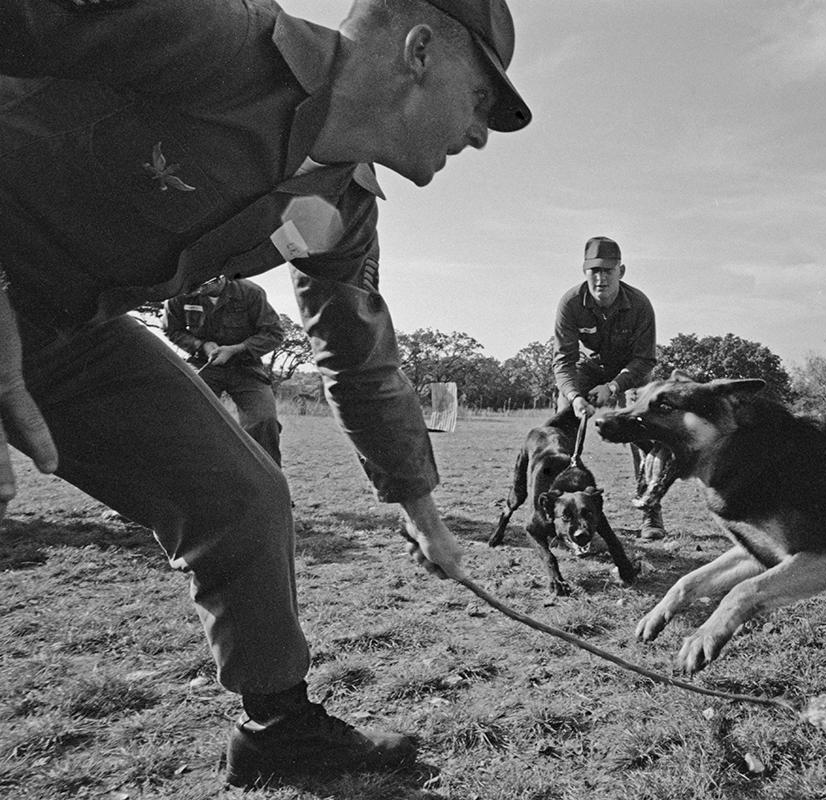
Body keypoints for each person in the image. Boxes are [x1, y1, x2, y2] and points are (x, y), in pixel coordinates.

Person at [0, 0, 530, 786]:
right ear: (419, 51)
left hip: (71, 330)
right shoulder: (215, 38)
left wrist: (423, 517)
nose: (482, 133)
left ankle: (277, 728)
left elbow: (358, 360)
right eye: (481, 100)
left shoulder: (342, 209)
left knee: (240, 495)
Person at [553, 236, 666, 539]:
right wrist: (575, 396)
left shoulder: (640, 305)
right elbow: (563, 361)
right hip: (586, 370)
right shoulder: (570, 303)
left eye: (608, 271)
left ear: (622, 271)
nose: (600, 278)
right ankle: (560, 510)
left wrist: (613, 387)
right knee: (560, 425)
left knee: (643, 433)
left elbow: (645, 360)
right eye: (594, 271)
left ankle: (650, 512)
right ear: (584, 270)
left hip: (629, 374)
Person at [165, 277, 285, 466]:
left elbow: (274, 333)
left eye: (207, 281)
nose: (199, 289)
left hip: (246, 366)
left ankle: (271, 489)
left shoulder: (250, 292)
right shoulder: (181, 292)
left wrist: (236, 349)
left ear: (223, 275)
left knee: (264, 421)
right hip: (203, 363)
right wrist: (201, 345)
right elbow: (171, 329)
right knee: (184, 413)